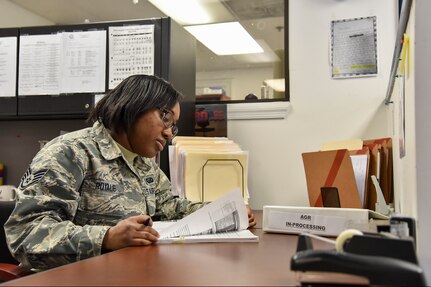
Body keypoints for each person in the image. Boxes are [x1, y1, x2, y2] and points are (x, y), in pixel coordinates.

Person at [5, 74, 256, 271]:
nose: (169, 133)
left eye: (174, 127)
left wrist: (224, 210)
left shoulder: (143, 163)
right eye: (165, 117)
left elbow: (170, 208)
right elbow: (25, 235)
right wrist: (107, 238)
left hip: (132, 273)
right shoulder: (70, 152)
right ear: (134, 106)